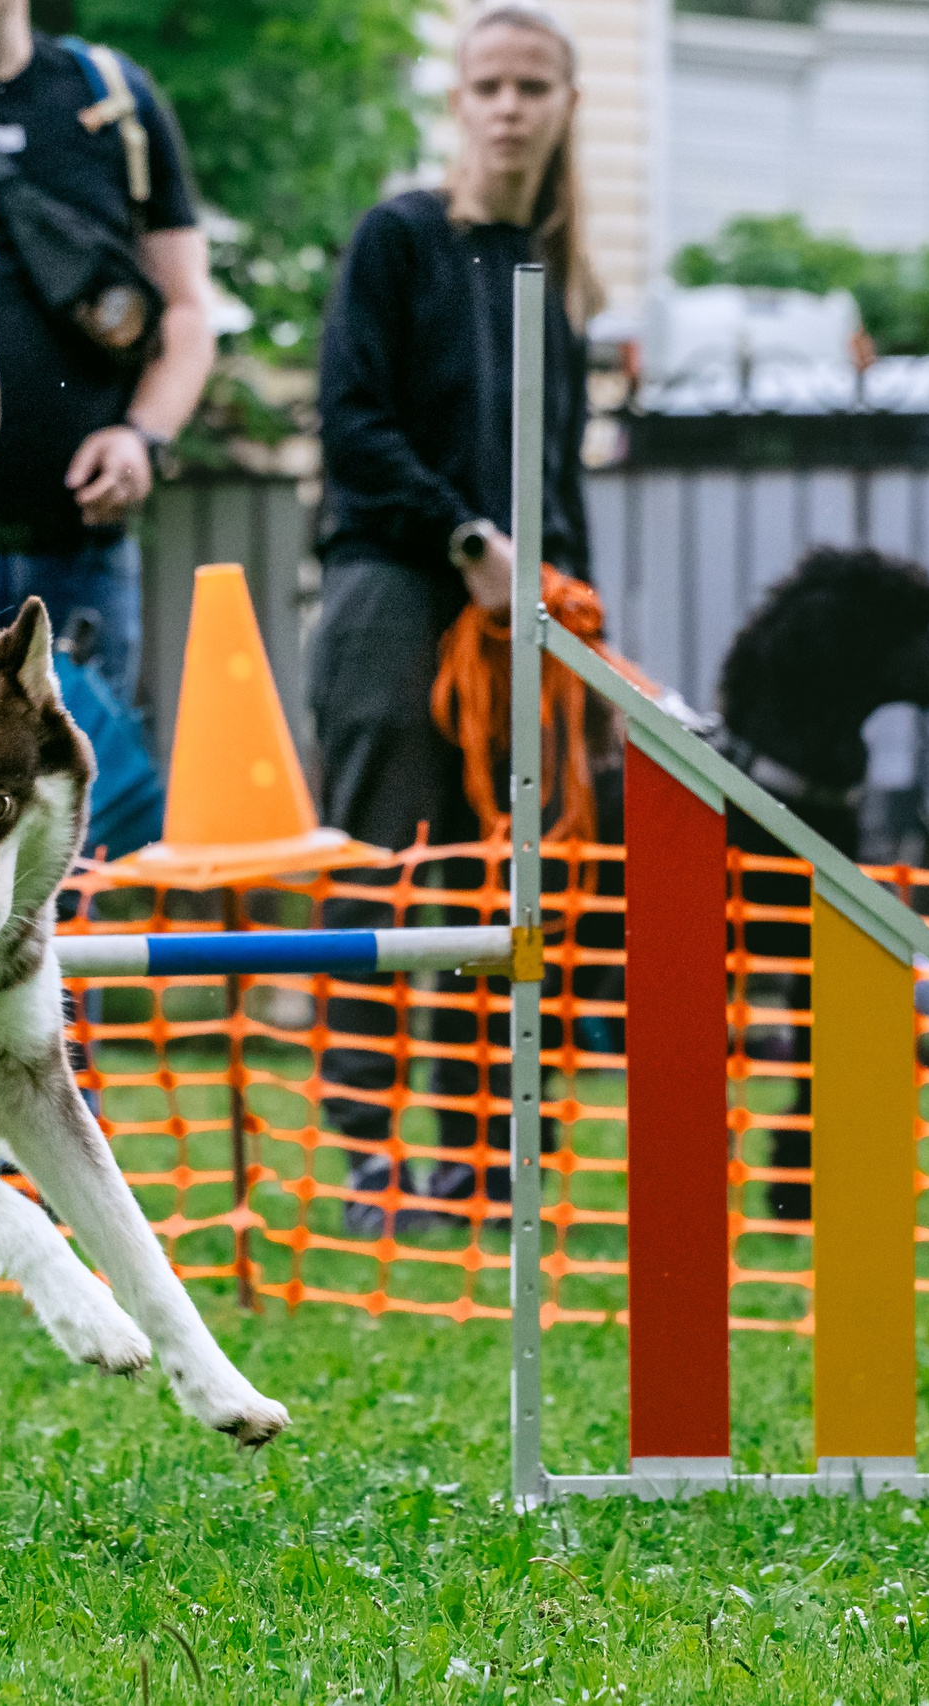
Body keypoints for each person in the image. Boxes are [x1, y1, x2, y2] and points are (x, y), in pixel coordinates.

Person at [306, 0, 596, 1232]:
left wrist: (572, 595)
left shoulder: (557, 276)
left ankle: (482, 1158)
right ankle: (373, 1157)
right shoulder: (400, 238)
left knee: (508, 884)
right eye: (489, 86)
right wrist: (464, 538)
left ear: (565, 105)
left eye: (534, 85)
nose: (511, 107)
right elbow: (351, 424)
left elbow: (561, 476)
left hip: (526, 616)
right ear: (459, 104)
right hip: (394, 592)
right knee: (388, 879)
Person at [0, 0, 215, 710]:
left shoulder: (111, 99)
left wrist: (143, 437)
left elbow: (187, 307)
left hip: (82, 557)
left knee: (94, 810)